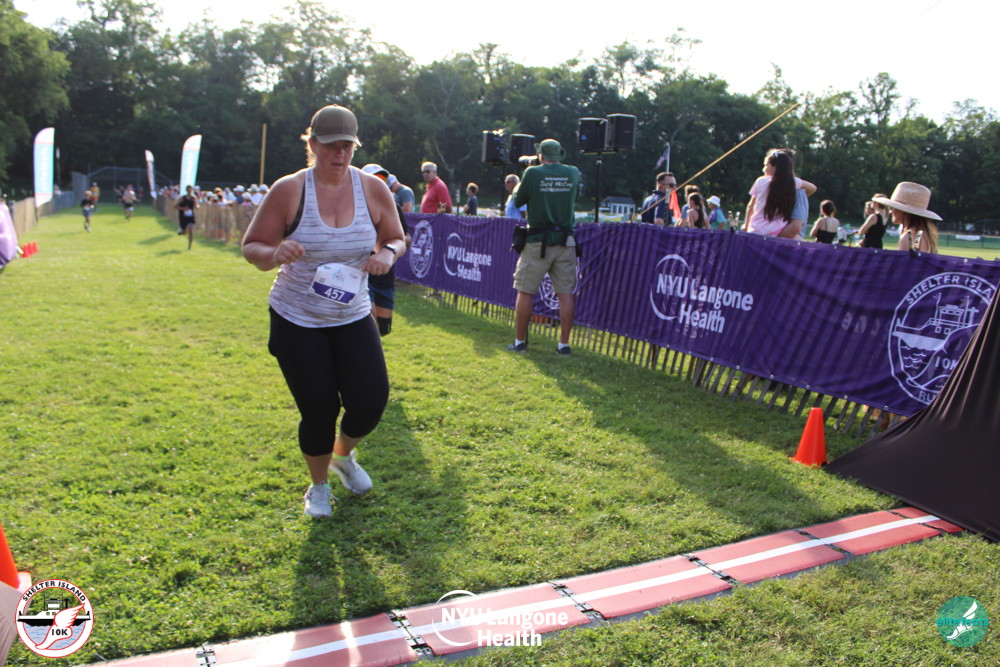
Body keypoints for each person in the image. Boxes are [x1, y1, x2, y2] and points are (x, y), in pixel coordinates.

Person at [241, 104, 404, 519]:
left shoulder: (372, 189)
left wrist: (386, 254)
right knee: (318, 408)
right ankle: (318, 487)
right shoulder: (289, 190)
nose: (341, 153)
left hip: (351, 314)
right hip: (297, 317)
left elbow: (395, 237)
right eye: (332, 145)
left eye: (348, 145)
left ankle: (342, 456)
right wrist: (275, 253)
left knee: (370, 401)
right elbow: (252, 247)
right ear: (312, 144)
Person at [508, 139, 579, 355]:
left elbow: (517, 200)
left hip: (538, 241)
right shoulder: (573, 172)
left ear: (541, 155)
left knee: (525, 290)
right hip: (565, 240)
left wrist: (525, 176)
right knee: (565, 293)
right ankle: (564, 344)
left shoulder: (532, 173)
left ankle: (520, 342)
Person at [362, 163, 411, 336]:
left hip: (385, 275)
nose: (379, 183)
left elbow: (406, 238)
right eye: (375, 179)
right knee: (369, 325)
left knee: (382, 330)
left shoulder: (393, 207)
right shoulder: (354, 208)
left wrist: (390, 246)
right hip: (362, 275)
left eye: (383, 179)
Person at [744, 148, 817, 238]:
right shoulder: (792, 182)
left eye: (766, 165)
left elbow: (750, 207)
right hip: (775, 231)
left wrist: (746, 227)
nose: (763, 169)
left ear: (775, 167)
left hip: (755, 229)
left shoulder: (760, 181)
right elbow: (813, 188)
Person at [874, 182, 941, 253]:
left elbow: (902, 260)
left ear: (904, 211)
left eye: (892, 207)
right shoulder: (923, 235)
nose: (890, 211)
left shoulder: (908, 237)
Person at [174, 185, 198, 249]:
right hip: (183, 217)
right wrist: (183, 208)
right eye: (189, 190)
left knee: (191, 229)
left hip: (191, 216)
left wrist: (197, 206)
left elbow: (196, 205)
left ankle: (190, 246)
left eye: (191, 190)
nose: (190, 191)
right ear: (186, 190)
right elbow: (175, 206)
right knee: (184, 232)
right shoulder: (183, 198)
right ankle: (181, 230)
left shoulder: (194, 198)